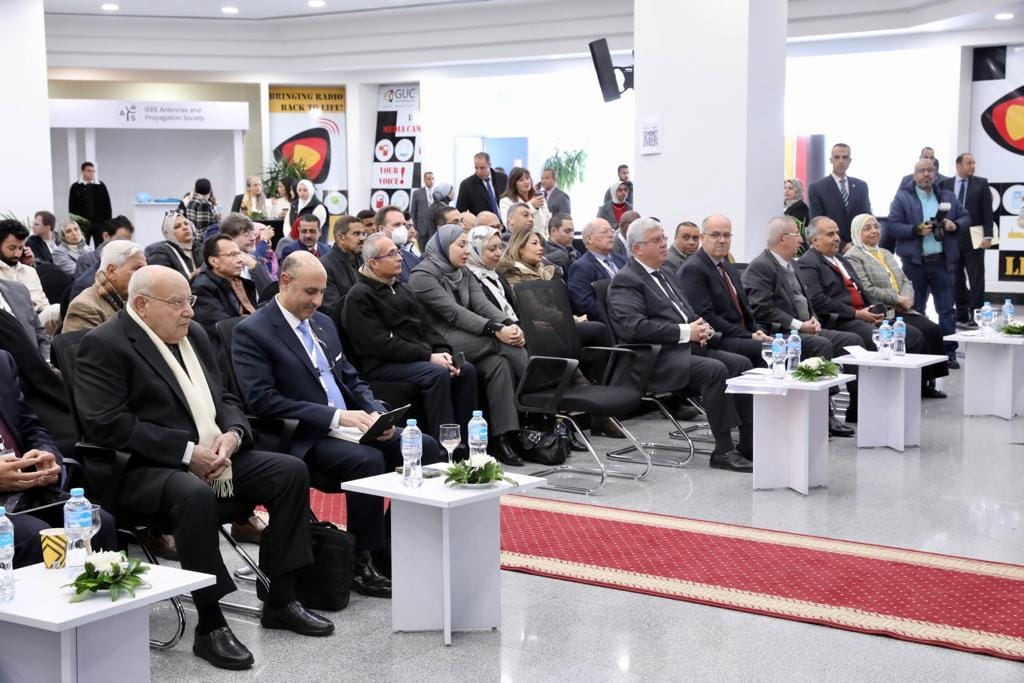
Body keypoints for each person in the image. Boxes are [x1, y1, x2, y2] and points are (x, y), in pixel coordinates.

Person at [75, 265, 333, 669]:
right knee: (193, 493)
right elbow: (108, 425)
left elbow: (225, 397)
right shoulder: (104, 344)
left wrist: (232, 434)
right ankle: (210, 623)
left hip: (214, 454)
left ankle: (281, 597)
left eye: (190, 301)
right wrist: (186, 452)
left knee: (288, 471)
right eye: (177, 303)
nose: (189, 312)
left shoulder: (193, 334)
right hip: (143, 468)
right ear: (141, 305)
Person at [232, 251, 440, 595]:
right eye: (309, 292)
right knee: (367, 460)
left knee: (424, 446)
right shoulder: (253, 331)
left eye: (321, 292)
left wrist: (375, 412)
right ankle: (361, 558)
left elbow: (351, 378)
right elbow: (263, 401)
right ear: (285, 282)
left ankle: (389, 546)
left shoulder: (323, 323)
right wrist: (336, 416)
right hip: (302, 433)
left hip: (350, 425)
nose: (317, 301)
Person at [607, 218, 753, 473]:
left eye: (663, 238)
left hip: (682, 349)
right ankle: (723, 450)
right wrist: (687, 332)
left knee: (741, 363)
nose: (664, 244)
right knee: (715, 370)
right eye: (656, 240)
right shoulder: (626, 281)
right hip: (654, 359)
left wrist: (704, 330)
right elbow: (636, 328)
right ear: (637, 248)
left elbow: (688, 314)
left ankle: (749, 441)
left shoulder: (666, 273)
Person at [341, 233, 478, 442]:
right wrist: (428, 356)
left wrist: (443, 351)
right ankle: (444, 444)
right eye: (392, 254)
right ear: (374, 263)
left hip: (416, 356)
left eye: (398, 252)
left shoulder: (402, 288)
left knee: (464, 369)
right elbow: (380, 344)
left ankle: (469, 442)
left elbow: (427, 328)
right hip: (383, 364)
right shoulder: (360, 296)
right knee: (437, 373)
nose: (400, 258)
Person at [410, 225, 527, 466]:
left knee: (499, 365)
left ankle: (502, 437)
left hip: (469, 336)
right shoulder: (422, 275)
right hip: (441, 341)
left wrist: (508, 325)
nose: (466, 251)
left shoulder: (462, 271)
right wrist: (496, 331)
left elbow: (482, 304)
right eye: (461, 245)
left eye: (467, 245)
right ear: (444, 246)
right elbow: (454, 313)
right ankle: (540, 396)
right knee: (505, 346)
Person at [742, 216, 865, 434]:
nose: (801, 240)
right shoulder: (761, 267)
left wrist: (814, 319)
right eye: (796, 235)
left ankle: (856, 405)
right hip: (781, 333)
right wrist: (800, 325)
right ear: (782, 238)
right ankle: (823, 413)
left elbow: (807, 300)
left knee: (853, 340)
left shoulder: (792, 264)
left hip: (805, 327)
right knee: (821, 345)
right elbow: (762, 309)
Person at [0, 350, 117, 567]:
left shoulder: (2, 361)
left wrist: (46, 455)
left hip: (22, 494)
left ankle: (96, 589)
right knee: (35, 536)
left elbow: (31, 427)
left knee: (98, 522)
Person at [844, 213, 949, 397]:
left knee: (932, 329)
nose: (874, 231)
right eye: (867, 228)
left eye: (876, 226)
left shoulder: (885, 253)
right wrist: (897, 299)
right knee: (921, 331)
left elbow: (905, 280)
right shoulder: (853, 256)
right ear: (856, 232)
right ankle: (914, 385)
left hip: (903, 307)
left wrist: (907, 298)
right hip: (885, 311)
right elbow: (867, 289)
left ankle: (926, 383)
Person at [886, 159, 969, 367]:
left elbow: (966, 218)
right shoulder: (902, 197)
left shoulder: (947, 196)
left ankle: (949, 353)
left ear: (935, 174)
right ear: (914, 175)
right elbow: (893, 226)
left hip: (942, 263)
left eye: (930, 170)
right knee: (916, 311)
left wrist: (954, 224)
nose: (926, 174)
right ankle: (921, 353)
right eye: (921, 171)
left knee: (947, 311)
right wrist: (916, 230)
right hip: (915, 264)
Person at [679, 215, 773, 366]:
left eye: (727, 235)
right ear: (703, 238)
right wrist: (749, 336)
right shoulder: (693, 269)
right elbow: (707, 317)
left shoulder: (727, 267)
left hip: (740, 335)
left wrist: (756, 331)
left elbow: (745, 311)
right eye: (715, 235)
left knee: (785, 345)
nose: (722, 240)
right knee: (773, 350)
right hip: (719, 338)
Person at [938, 153, 995, 329]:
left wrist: (988, 236)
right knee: (956, 277)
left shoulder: (982, 184)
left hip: (975, 236)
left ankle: (976, 313)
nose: (973, 166)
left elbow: (987, 212)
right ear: (958, 166)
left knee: (976, 277)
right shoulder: (945, 184)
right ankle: (961, 312)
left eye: (974, 163)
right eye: (969, 163)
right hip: (952, 236)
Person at [62, 240, 145, 333]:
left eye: (145, 268)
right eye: (137, 268)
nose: (144, 273)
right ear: (111, 271)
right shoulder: (85, 307)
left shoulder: (138, 300)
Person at [0, 220, 60, 334]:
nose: (17, 254)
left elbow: (44, 305)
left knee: (58, 310)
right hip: (9, 326)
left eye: (20, 248)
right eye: (12, 248)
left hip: (37, 322)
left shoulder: (29, 271)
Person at [190, 234, 258, 336]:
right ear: (214, 261)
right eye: (233, 255)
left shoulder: (240, 282)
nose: (240, 260)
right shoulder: (202, 288)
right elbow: (223, 327)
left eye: (239, 254)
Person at [807, 143, 872, 247]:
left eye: (845, 157)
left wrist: (856, 243)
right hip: (830, 246)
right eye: (837, 157)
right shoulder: (817, 188)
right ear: (831, 160)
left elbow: (866, 217)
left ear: (850, 160)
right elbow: (817, 222)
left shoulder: (861, 186)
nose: (841, 161)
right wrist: (842, 246)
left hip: (858, 246)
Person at [567, 218, 626, 323]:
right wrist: (622, 314)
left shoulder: (622, 261)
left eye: (611, 231)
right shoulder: (581, 267)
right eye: (605, 231)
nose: (611, 235)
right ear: (589, 238)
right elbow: (584, 305)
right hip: (611, 322)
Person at [69, 216, 135, 300]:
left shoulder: (129, 261)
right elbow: (80, 294)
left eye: (128, 242)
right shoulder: (87, 260)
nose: (125, 245)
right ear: (106, 236)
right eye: (120, 241)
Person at [465, 226, 518, 322]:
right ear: (476, 250)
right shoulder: (469, 278)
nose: (499, 253)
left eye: (500, 247)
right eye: (492, 249)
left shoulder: (497, 275)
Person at [318, 215, 366, 316]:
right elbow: (332, 308)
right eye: (356, 234)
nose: (362, 238)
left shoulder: (364, 261)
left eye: (363, 234)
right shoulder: (325, 266)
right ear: (341, 238)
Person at [219, 213, 276, 295]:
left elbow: (271, 293)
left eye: (253, 233)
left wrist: (255, 266)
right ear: (229, 238)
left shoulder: (256, 259)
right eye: (246, 234)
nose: (253, 238)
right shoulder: (221, 266)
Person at [67, 161, 112, 247]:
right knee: (82, 246)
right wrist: (74, 222)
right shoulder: (75, 187)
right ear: (83, 171)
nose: (91, 173)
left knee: (101, 246)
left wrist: (108, 223)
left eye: (93, 171)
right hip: (82, 224)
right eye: (89, 171)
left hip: (99, 223)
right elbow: (71, 206)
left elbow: (107, 205)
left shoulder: (101, 185)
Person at [147, 211, 201, 281]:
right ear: (168, 233)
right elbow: (164, 281)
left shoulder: (200, 247)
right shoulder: (161, 253)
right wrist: (194, 274)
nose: (185, 228)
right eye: (177, 226)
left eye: (186, 223)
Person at [499, 168, 550, 239]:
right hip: (521, 241)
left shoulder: (538, 197)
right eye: (521, 180)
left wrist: (546, 240)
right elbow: (509, 224)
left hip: (543, 241)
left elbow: (548, 223)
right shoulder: (506, 201)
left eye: (527, 178)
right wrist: (531, 205)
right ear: (514, 183)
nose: (526, 182)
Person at [374, 206, 418, 283]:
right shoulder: (373, 261)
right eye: (397, 224)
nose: (402, 229)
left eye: (404, 225)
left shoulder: (412, 258)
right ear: (381, 229)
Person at [455, 152, 508, 216]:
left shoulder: (503, 178)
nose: (479, 171)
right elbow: (460, 212)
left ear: (489, 165)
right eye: (476, 168)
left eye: (482, 168)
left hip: (504, 220)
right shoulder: (466, 185)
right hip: (481, 221)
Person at [783, 178, 809, 253]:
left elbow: (796, 229)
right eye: (785, 188)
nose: (786, 190)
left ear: (797, 190)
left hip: (797, 248)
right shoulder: (784, 205)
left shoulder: (801, 207)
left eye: (790, 188)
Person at [409, 171, 435, 239]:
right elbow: (413, 211)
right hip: (421, 229)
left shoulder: (437, 192)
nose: (431, 181)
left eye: (433, 179)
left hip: (434, 228)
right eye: (429, 179)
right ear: (424, 180)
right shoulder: (417, 193)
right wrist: (414, 228)